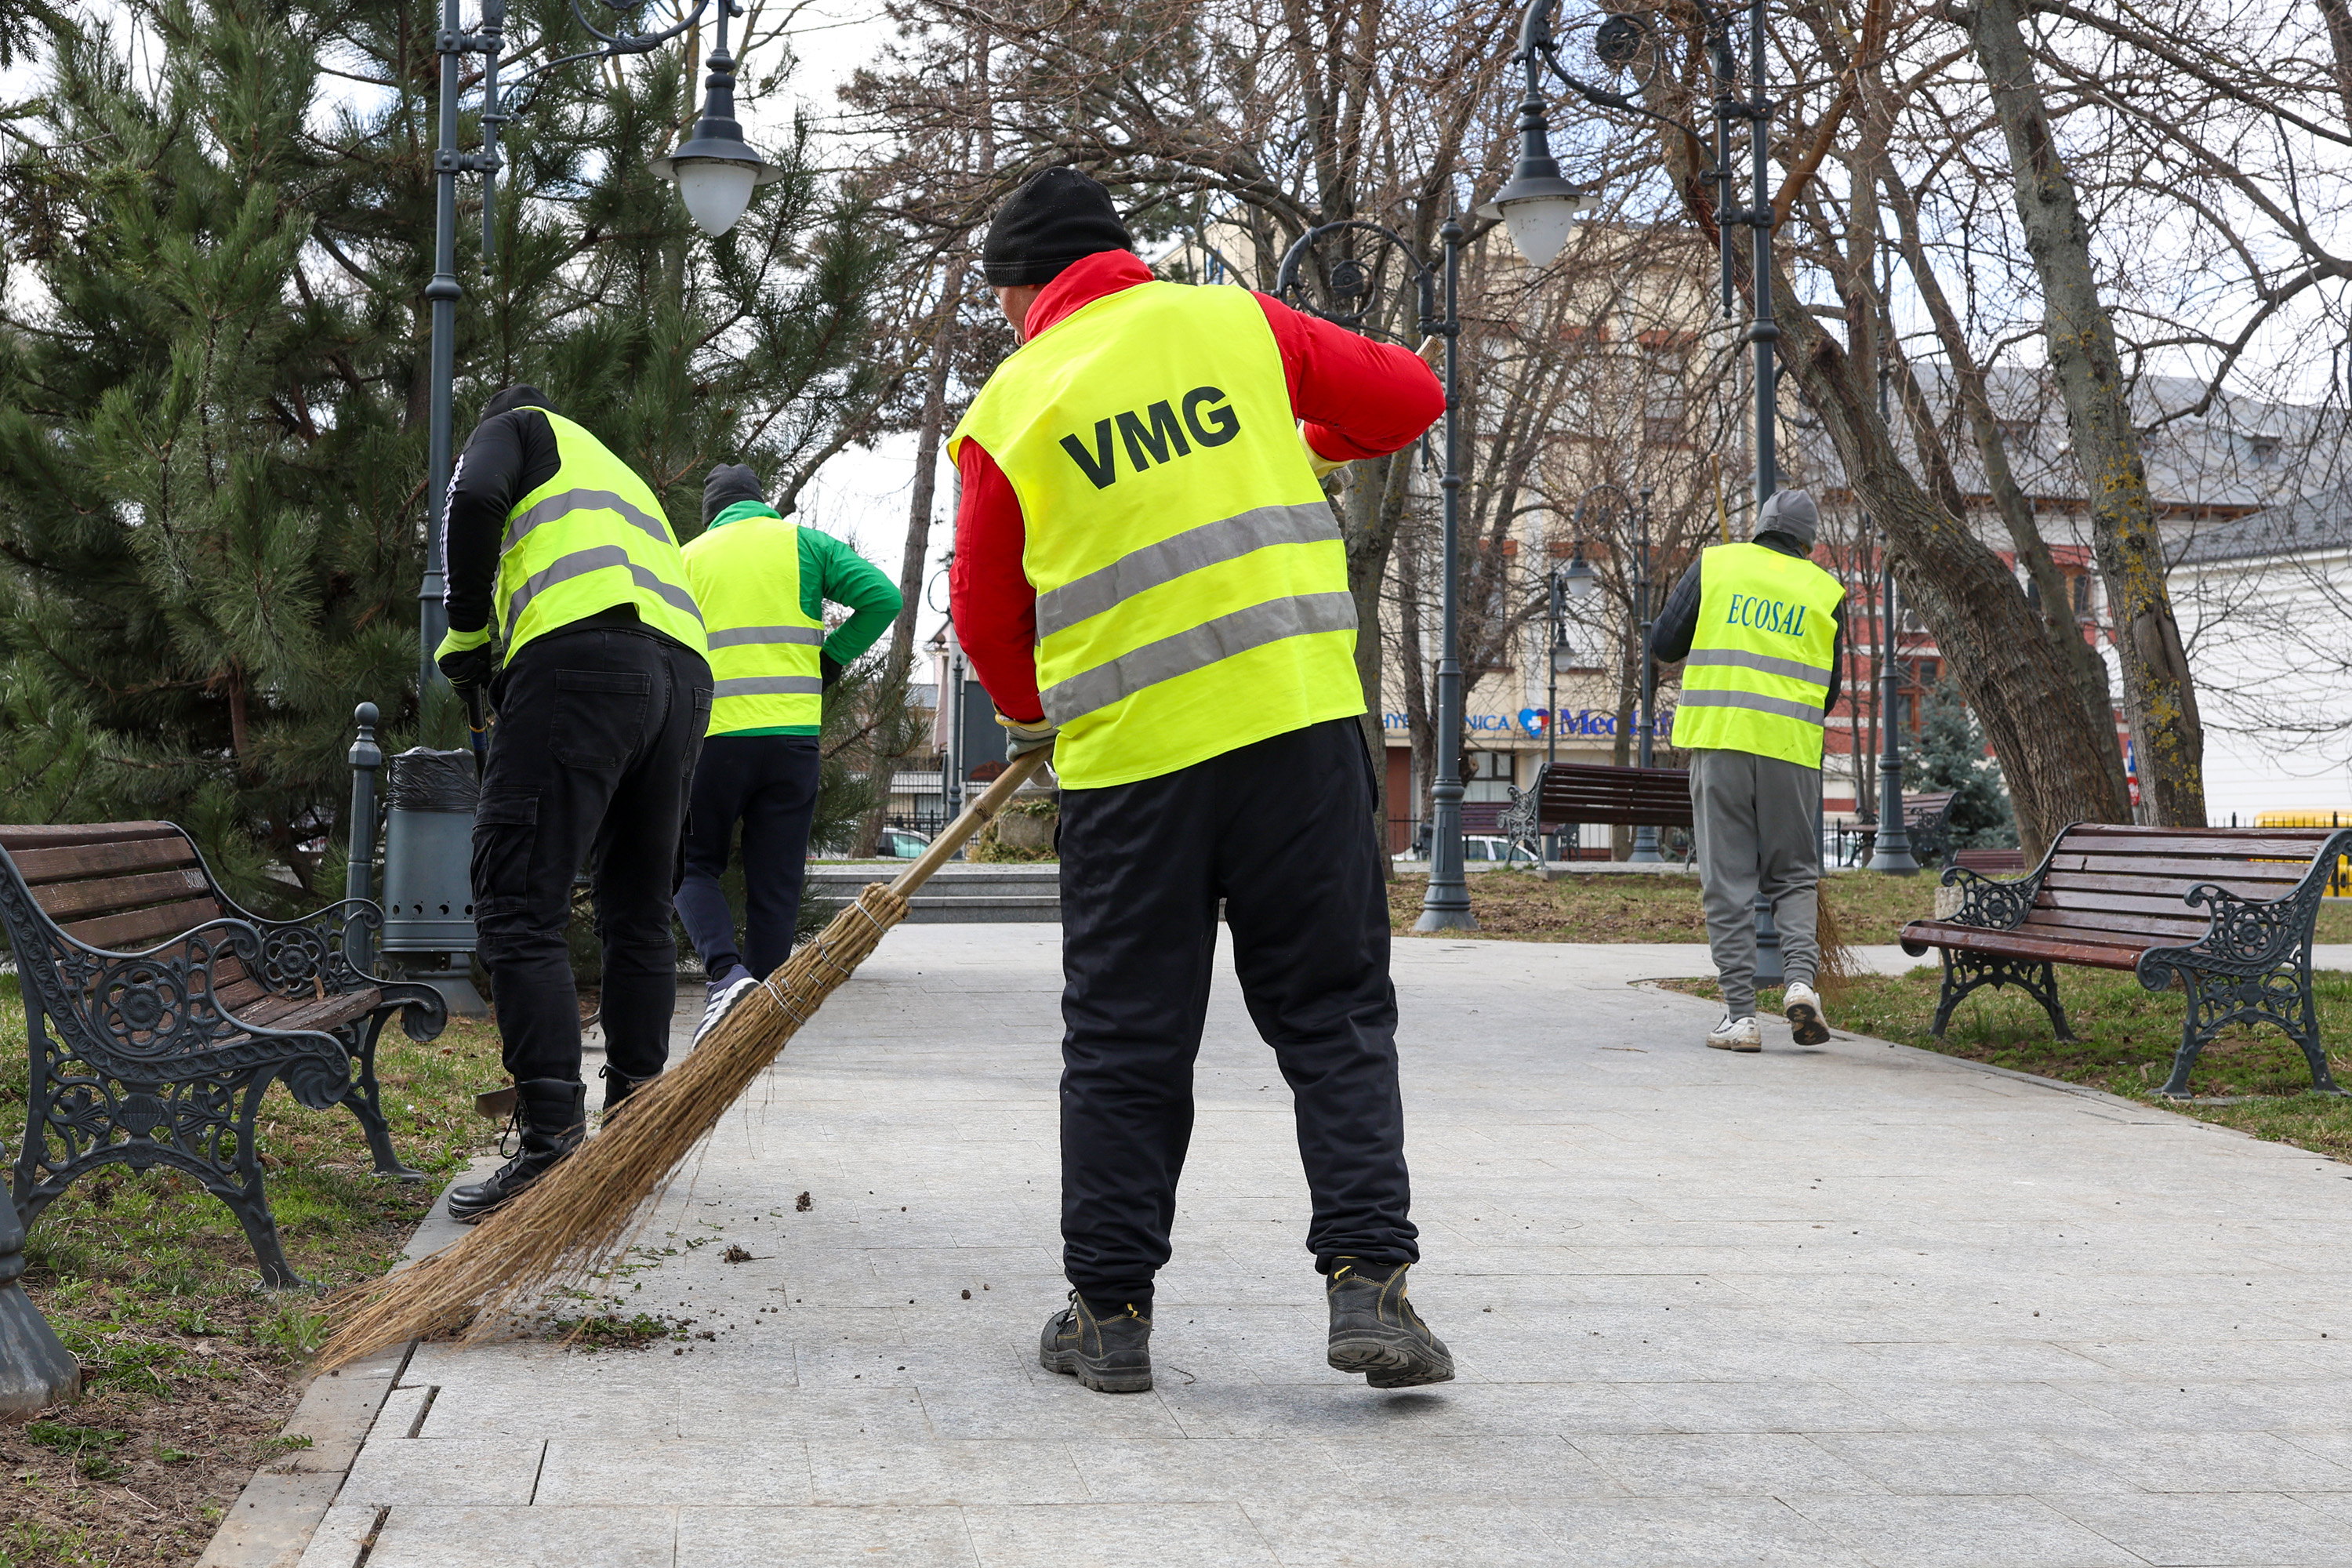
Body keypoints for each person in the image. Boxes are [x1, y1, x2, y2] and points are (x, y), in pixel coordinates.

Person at [947, 167, 1450, 1395]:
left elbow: (985, 610)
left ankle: (1110, 1317)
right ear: (1116, 255)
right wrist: (1304, 434)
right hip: (1298, 734)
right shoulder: (1235, 324)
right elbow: (1409, 399)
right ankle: (1371, 1289)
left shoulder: (1010, 408)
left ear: (1023, 289)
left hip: (1132, 773)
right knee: (1333, 1014)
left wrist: (1029, 720)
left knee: (1126, 1040)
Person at [433, 387, 713, 1222]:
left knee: (518, 900)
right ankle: (636, 1129)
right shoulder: (620, 475)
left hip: (583, 660)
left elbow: (473, 500)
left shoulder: (516, 428)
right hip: (683, 679)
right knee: (638, 910)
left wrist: (467, 635)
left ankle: (552, 1142)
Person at [679, 463, 903, 1044]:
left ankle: (726, 976)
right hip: (792, 741)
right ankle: (763, 1020)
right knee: (776, 884)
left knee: (690, 865)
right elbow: (884, 597)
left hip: (714, 741)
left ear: (711, 514)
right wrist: (830, 660)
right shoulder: (803, 544)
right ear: (760, 502)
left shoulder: (687, 559)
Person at [1647, 488, 1846, 1053]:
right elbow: (1829, 691)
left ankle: (1740, 1016)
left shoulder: (1717, 565)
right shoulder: (1825, 591)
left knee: (1727, 880)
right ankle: (1801, 983)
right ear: (1808, 543)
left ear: (1759, 527)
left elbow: (1664, 643)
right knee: (1794, 875)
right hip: (1790, 751)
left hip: (1722, 741)